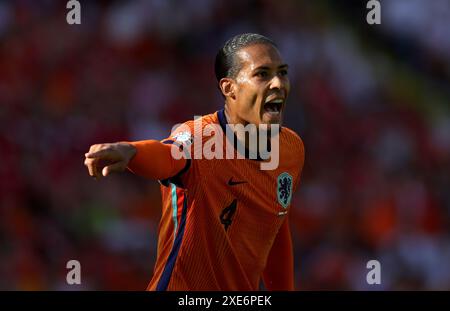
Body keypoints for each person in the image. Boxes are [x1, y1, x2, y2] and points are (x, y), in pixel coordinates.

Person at [84, 33, 305, 291]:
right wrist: (132, 151)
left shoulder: (291, 149)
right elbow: (167, 156)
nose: (278, 83)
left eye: (283, 72)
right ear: (229, 88)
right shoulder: (202, 139)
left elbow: (275, 227)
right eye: (263, 74)